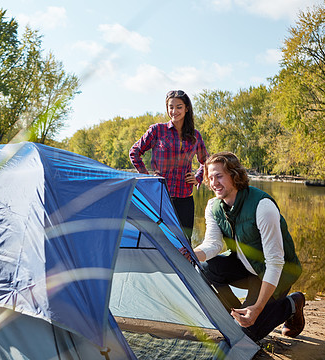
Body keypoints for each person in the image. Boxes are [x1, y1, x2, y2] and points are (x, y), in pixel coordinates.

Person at [189, 151, 305, 342]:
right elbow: (214, 244)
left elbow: (275, 263)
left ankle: (292, 304)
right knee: (203, 267)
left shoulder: (263, 206)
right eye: (210, 177)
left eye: (219, 176)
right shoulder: (214, 206)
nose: (214, 182)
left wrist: (257, 308)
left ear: (234, 175)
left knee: (245, 337)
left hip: (277, 273)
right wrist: (191, 254)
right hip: (246, 268)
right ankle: (236, 315)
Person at [129, 90, 208, 242]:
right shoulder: (157, 130)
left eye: (179, 107)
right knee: (158, 241)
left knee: (185, 242)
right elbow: (135, 152)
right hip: (160, 197)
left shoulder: (195, 135)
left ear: (186, 108)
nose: (174, 111)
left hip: (185, 199)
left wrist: (197, 177)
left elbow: (206, 161)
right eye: (170, 107)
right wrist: (147, 177)